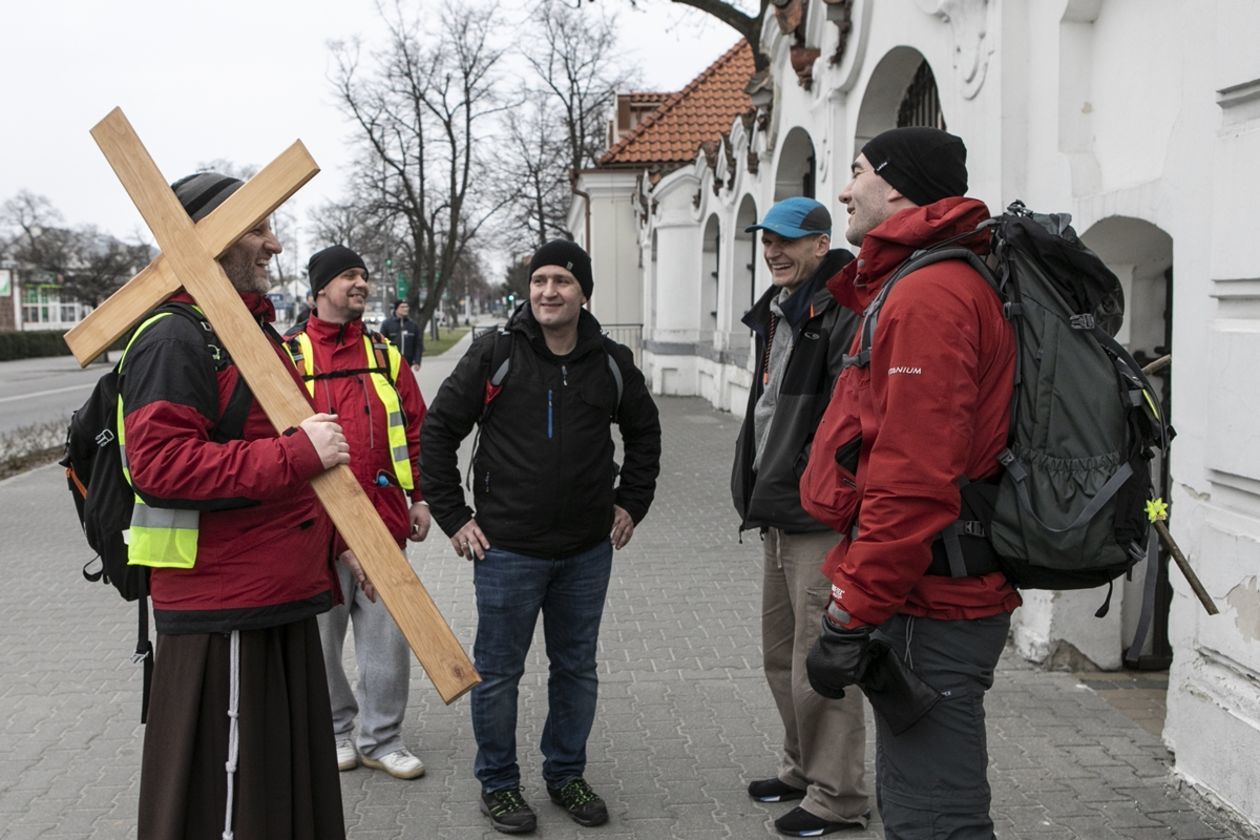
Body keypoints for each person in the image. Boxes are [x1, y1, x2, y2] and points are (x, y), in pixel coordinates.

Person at [800, 128, 1021, 839]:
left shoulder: (930, 295)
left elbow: (914, 478)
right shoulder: (923, 281)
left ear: (896, 187)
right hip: (926, 591)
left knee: (936, 819)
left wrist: (850, 613)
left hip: (935, 604)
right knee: (919, 803)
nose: (843, 189)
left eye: (856, 172)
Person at [124, 172, 351, 840]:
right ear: (207, 239)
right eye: (257, 228)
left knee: (274, 794)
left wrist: (341, 544)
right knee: (228, 806)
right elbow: (160, 467)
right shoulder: (174, 338)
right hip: (222, 610)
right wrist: (299, 455)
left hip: (273, 591)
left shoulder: (243, 332)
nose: (274, 244)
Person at [420, 239, 661, 834]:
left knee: (576, 669)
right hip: (506, 551)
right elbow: (437, 434)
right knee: (499, 673)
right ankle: (499, 786)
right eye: (540, 280)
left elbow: (646, 434)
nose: (548, 292)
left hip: (585, 551)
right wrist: (456, 517)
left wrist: (631, 502)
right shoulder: (493, 354)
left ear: (583, 292)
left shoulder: (610, 361)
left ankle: (566, 775)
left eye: (562, 281)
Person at [730, 197, 869, 837]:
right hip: (779, 509)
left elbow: (853, 418)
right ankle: (798, 768)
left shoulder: (841, 309)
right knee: (780, 655)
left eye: (788, 240)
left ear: (821, 244)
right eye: (767, 241)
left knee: (820, 663)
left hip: (819, 517)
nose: (774, 251)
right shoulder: (779, 313)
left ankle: (838, 796)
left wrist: (823, 483)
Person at [287, 246, 431, 781]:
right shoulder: (290, 356)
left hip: (383, 524)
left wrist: (420, 498)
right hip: (317, 531)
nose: (361, 284)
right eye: (349, 276)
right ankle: (336, 730)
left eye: (364, 276)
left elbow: (416, 429)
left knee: (388, 642)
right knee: (321, 642)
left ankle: (382, 738)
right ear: (319, 288)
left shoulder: (385, 355)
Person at [381, 298, 423, 370]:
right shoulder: (387, 324)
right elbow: (381, 343)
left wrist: (417, 361)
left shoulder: (413, 325)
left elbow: (418, 345)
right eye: (402, 307)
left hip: (408, 363)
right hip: (391, 362)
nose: (405, 309)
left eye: (407, 307)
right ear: (396, 309)